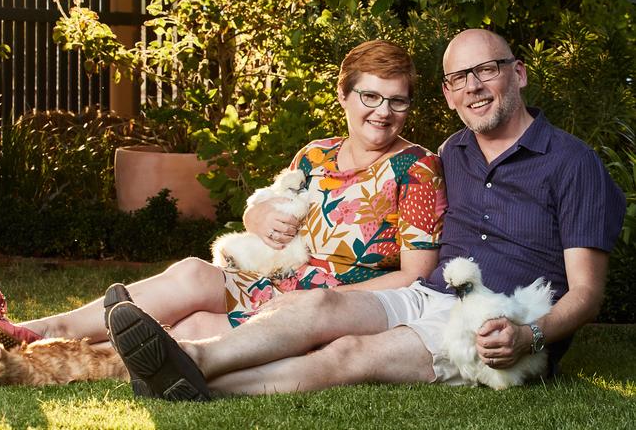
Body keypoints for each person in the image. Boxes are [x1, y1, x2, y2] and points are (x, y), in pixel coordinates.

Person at [103, 28, 626, 400]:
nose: (474, 86)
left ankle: (195, 380)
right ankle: (193, 359)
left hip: (495, 324)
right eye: (459, 77)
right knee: (319, 306)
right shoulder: (452, 154)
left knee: (350, 354)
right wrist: (260, 212)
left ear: (519, 73)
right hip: (429, 295)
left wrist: (529, 337)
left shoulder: (572, 163)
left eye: (486, 69)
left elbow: (586, 292)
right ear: (447, 94)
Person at [0, 40, 446, 351]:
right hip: (266, 281)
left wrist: (314, 304)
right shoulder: (314, 155)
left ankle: (47, 353)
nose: (383, 113)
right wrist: (257, 218)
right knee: (190, 272)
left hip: (328, 307)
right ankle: (44, 330)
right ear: (344, 95)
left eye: (397, 100)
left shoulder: (417, 168)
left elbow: (415, 277)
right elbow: (263, 213)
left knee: (188, 332)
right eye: (370, 97)